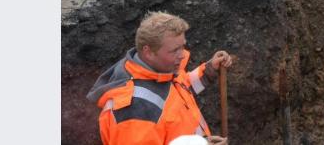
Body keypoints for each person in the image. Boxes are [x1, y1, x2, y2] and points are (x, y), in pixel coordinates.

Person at [87, 12, 234, 145]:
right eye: (175, 50)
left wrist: (209, 70)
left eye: (182, 46)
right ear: (148, 52)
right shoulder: (135, 113)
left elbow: (181, 89)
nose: (182, 55)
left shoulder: (161, 71)